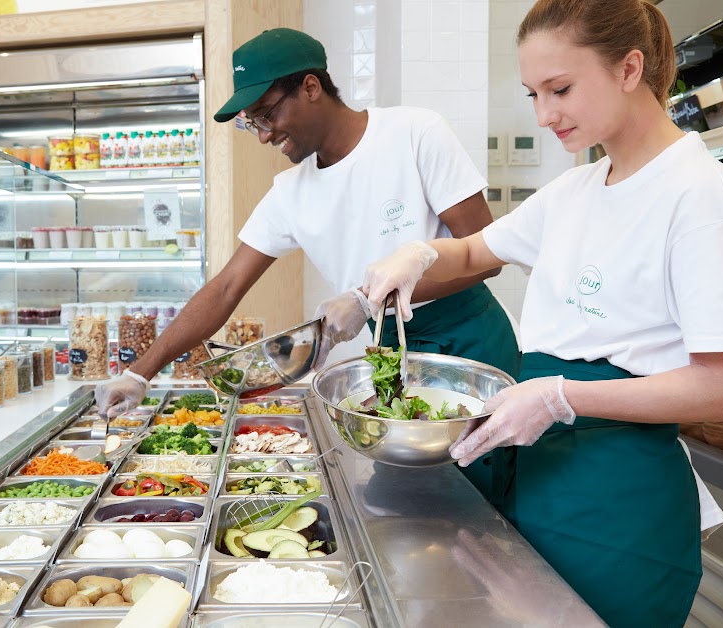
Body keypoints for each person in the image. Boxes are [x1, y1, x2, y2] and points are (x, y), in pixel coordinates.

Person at [361, 0, 723, 625]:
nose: (545, 115)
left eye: (561, 89)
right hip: (540, 472)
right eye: (533, 94)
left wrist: (560, 398)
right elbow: (470, 248)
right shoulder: (577, 190)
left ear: (629, 68)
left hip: (618, 503)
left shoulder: (701, 200)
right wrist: (417, 253)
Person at [96, 27, 520, 493]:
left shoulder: (414, 133)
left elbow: (487, 257)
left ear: (311, 87)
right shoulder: (290, 194)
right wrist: (140, 372)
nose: (262, 135)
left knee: (487, 500)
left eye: (265, 115)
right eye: (250, 123)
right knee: (414, 502)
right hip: (391, 363)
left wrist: (365, 300)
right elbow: (225, 288)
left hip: (469, 348)